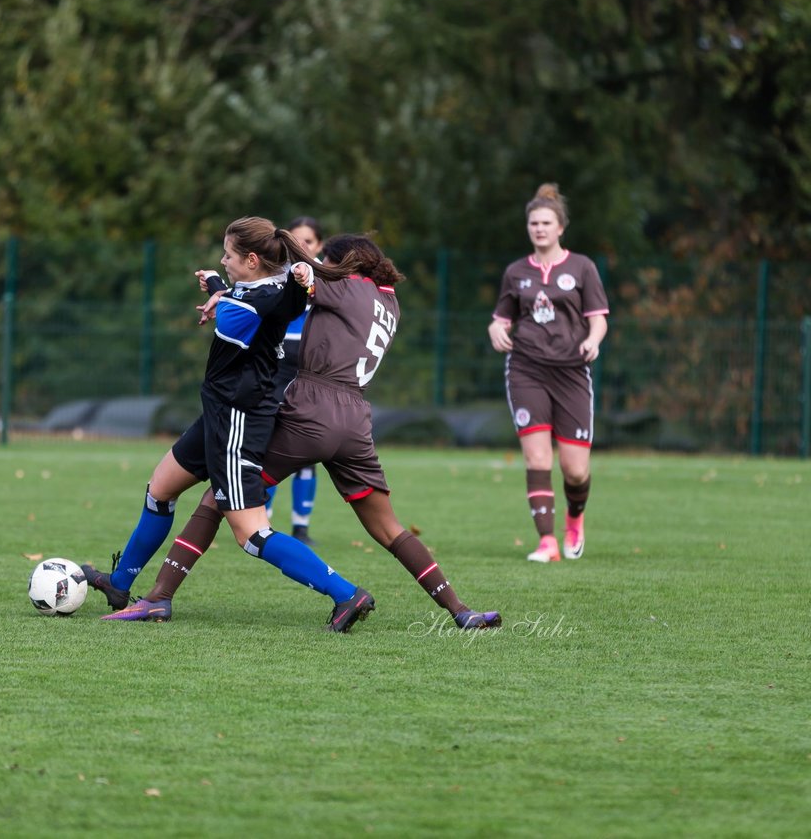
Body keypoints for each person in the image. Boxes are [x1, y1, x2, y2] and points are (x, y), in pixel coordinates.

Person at [103, 234, 500, 630]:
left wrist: (278, 265)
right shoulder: (389, 301)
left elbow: (293, 280)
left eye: (330, 258)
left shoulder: (343, 286)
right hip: (357, 418)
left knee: (220, 498)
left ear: (346, 263)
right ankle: (460, 610)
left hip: (312, 410)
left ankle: (160, 597)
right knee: (388, 528)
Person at [81, 216, 376, 632]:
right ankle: (119, 584)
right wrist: (224, 284)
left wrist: (219, 291)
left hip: (239, 421)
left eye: (229, 255)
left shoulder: (260, 300)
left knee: (251, 534)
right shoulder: (266, 288)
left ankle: (347, 594)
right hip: (218, 414)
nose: (223, 260)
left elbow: (233, 315)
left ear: (252, 259)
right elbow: (258, 295)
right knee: (160, 489)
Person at [486, 183, 609, 562]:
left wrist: (594, 340)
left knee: (574, 469)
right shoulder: (516, 272)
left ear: (560, 228)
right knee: (537, 460)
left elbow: (599, 318)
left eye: (545, 223)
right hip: (526, 369)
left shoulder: (582, 267)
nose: (539, 229)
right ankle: (547, 542)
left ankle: (575, 518)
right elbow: (501, 318)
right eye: (533, 223)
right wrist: (495, 330)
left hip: (572, 372)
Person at [266, 215, 323, 545]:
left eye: (309, 241)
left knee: (307, 446)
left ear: (320, 246)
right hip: (278, 361)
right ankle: (264, 521)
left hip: (312, 364)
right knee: (271, 439)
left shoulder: (326, 275)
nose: (302, 246)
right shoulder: (276, 272)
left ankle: (301, 526)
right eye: (296, 240)